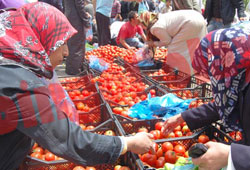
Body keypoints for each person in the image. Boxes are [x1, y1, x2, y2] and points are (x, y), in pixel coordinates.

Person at [0, 3, 155, 170]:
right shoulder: (19, 85)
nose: (66, 52)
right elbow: (68, 140)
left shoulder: (9, 65)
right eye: (61, 42)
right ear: (39, 37)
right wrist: (128, 142)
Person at [161, 21, 250, 170]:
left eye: (211, 65)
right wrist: (183, 117)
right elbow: (223, 104)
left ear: (224, 58)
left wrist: (232, 155)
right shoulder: (241, 76)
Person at [139, 10, 207, 75]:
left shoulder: (155, 27)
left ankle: (179, 74)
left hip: (189, 23)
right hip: (198, 17)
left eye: (142, 25)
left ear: (145, 22)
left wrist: (153, 43)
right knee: (194, 48)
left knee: (175, 50)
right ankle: (195, 69)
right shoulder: (159, 17)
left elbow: (167, 41)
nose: (142, 27)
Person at [63, 0, 91, 75]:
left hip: (69, 17)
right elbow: (80, 6)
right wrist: (86, 21)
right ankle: (75, 70)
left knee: (72, 45)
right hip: (76, 19)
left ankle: (70, 68)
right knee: (77, 46)